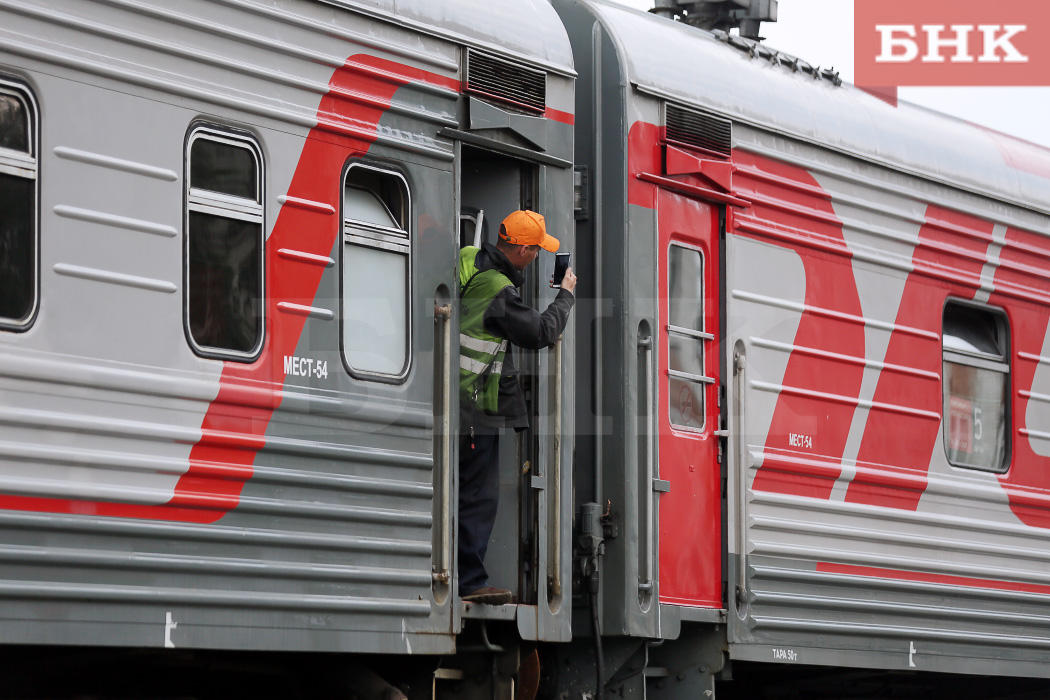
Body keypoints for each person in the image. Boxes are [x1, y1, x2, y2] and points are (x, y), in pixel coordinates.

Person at [458, 210, 577, 605]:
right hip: (475, 405)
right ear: (523, 249)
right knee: (477, 495)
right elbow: (541, 332)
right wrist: (566, 296)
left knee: (462, 490)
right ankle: (470, 581)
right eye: (537, 251)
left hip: (456, 400)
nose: (539, 256)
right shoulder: (497, 288)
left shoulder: (469, 259)